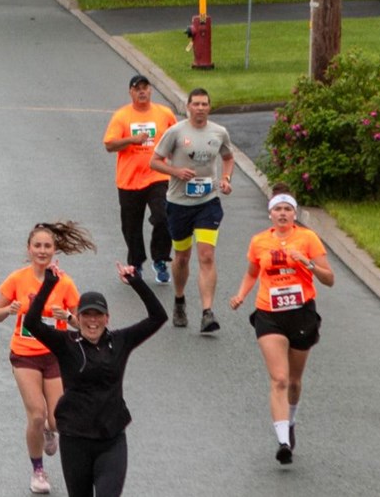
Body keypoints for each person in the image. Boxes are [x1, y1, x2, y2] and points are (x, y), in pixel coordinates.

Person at [23, 262, 168, 497]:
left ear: (107, 318)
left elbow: (158, 317)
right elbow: (31, 323)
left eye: (98, 315)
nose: (92, 321)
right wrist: (50, 282)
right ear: (78, 318)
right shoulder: (65, 343)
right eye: (86, 315)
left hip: (111, 439)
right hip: (75, 440)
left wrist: (136, 281)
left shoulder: (121, 341)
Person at [228, 188, 335, 465]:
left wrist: (307, 263)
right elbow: (253, 272)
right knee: (280, 379)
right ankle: (283, 441)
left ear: (294, 214)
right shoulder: (259, 241)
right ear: (271, 214)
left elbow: (329, 279)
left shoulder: (308, 238)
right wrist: (241, 295)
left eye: (288, 209)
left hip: (301, 314)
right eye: (278, 209)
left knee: (295, 382)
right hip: (269, 313)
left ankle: (291, 420)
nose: (283, 214)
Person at [0, 221, 95, 495]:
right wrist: (9, 310)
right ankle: (38, 470)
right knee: (36, 415)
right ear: (29, 249)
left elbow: (85, 323)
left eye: (47, 246)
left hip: (56, 355)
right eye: (37, 245)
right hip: (24, 355)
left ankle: (51, 431)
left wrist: (68, 317)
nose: (42, 250)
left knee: (58, 419)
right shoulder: (17, 279)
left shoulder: (65, 282)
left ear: (54, 249)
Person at [149, 88, 234, 333]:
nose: (200, 108)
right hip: (179, 204)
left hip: (208, 202)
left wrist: (226, 179)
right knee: (182, 257)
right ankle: (179, 299)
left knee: (206, 255)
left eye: (204, 104)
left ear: (209, 107)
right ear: (188, 107)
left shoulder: (219, 132)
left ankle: (207, 312)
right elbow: (154, 161)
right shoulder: (176, 132)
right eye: (195, 104)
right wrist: (176, 172)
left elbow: (228, 157)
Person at [103, 75, 177, 284]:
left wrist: (178, 164)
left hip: (158, 175)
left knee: (164, 217)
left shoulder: (164, 114)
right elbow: (109, 145)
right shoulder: (122, 116)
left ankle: (160, 258)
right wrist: (131, 140)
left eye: (145, 88)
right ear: (131, 92)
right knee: (131, 226)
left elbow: (176, 140)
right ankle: (136, 263)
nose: (142, 92)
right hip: (129, 180)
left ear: (151, 90)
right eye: (137, 89)